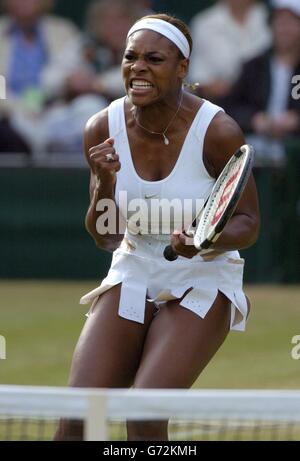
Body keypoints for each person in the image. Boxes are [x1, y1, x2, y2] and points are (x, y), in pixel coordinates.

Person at [55, 13, 260, 441]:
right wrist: (105, 182)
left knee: (144, 416)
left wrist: (204, 240)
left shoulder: (217, 130)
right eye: (131, 57)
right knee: (77, 417)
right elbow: (104, 236)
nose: (138, 68)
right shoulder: (101, 128)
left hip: (204, 275)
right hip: (133, 266)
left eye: (154, 58)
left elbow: (248, 223)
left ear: (182, 68)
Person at [222, 0, 300, 165]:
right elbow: (231, 106)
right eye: (280, 22)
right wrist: (254, 119)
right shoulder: (254, 66)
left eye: (292, 23)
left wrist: (295, 120)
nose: (285, 29)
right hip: (255, 151)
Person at [0, 0, 80, 153]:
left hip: (57, 112)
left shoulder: (63, 30)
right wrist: (21, 109)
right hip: (9, 117)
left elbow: (70, 72)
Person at [189, 0, 271, 102]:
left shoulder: (270, 20)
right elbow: (197, 80)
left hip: (264, 104)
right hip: (219, 105)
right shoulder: (203, 24)